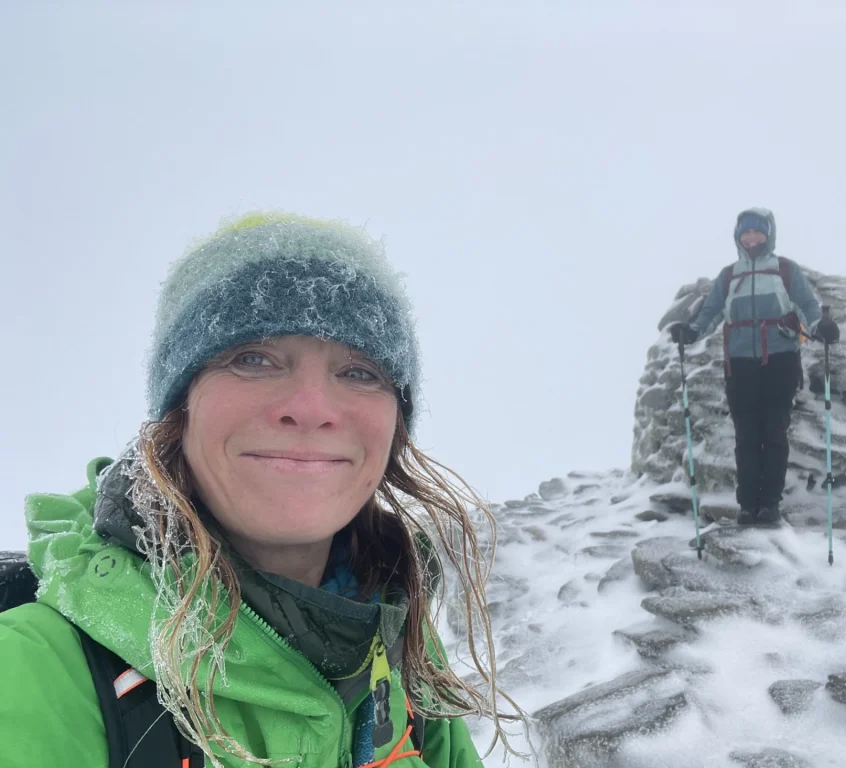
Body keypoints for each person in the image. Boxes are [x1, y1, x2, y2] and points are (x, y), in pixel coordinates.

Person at [0, 213, 519, 767]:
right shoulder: (34, 668)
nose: (312, 409)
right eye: (253, 358)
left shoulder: (400, 656)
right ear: (180, 405)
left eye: (361, 371)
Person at [672, 208, 840, 526]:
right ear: (738, 237)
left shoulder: (784, 270)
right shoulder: (729, 276)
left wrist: (820, 326)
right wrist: (691, 331)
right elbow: (710, 312)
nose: (751, 237)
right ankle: (748, 505)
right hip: (739, 366)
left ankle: (770, 505)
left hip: (780, 360)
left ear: (768, 235)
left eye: (757, 231)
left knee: (774, 433)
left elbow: (806, 305)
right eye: (745, 232)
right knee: (746, 436)